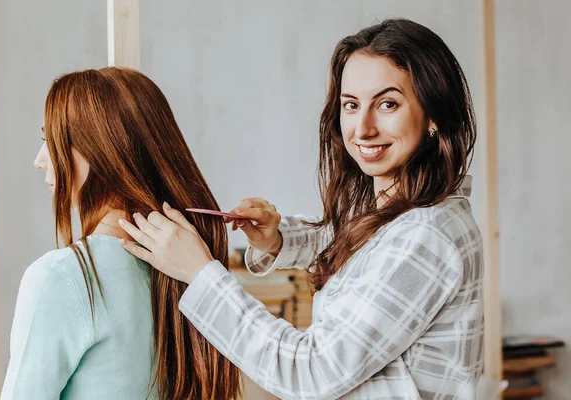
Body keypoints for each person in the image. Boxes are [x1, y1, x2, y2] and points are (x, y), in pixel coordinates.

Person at [119, 18, 484, 399]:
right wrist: (277, 240)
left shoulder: (425, 236)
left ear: (434, 115)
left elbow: (312, 372)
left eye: (387, 104)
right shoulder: (412, 215)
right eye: (351, 105)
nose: (362, 128)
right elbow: (366, 248)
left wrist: (200, 274)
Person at [1, 67, 241, 400]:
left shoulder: (59, 278)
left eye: (50, 140)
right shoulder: (192, 262)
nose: (40, 160)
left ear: (97, 152)